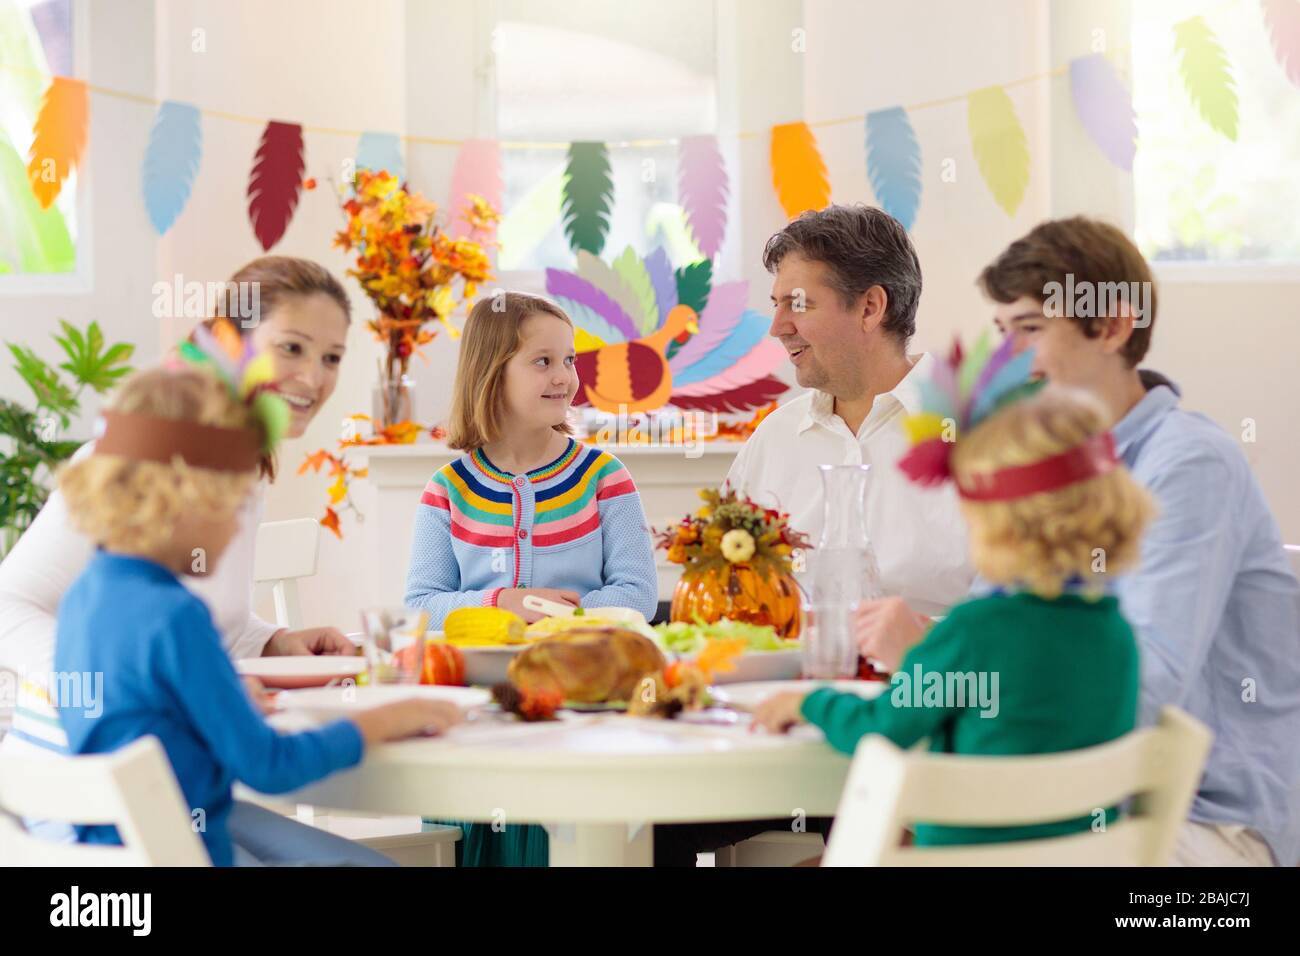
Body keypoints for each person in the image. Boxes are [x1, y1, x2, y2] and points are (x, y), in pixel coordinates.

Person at [856, 217, 1300, 866]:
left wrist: (940, 664)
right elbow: (1001, 622)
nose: (1008, 358)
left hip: (1202, 817)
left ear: (1114, 326)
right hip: (1078, 794)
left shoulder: (1189, 463)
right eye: (1002, 333)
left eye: (1031, 330)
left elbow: (1146, 687)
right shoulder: (1044, 465)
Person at [54, 364, 462, 866]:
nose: (236, 531)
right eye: (236, 505)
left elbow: (138, 713)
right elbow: (271, 766)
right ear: (181, 499)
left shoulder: (88, 594)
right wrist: (387, 719)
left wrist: (220, 697)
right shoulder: (175, 615)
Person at [755, 378, 1155, 851]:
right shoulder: (1116, 634)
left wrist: (807, 703)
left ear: (998, 523)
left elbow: (880, 728)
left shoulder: (977, 629)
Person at [0, 256, 358, 745]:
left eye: (332, 358)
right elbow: (10, 606)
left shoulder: (242, 472)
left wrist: (273, 642)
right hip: (67, 762)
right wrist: (121, 693)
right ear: (233, 340)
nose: (314, 379)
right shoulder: (136, 459)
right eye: (292, 348)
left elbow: (194, 616)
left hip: (157, 764)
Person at [404, 291, 657, 865]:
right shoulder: (447, 489)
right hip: (476, 707)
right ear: (491, 374)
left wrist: (561, 620)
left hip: (580, 699)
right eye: (542, 361)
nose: (563, 376)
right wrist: (504, 603)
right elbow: (421, 603)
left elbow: (637, 593)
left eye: (569, 360)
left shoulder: (604, 477)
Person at [723, 204, 972, 619]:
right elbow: (728, 592)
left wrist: (921, 640)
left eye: (798, 304)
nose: (778, 326)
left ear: (870, 307)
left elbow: (1029, 624)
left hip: (938, 679)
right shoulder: (774, 439)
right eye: (776, 305)